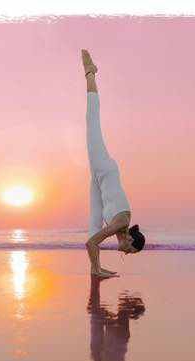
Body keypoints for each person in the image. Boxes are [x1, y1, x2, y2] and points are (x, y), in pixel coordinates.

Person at [82, 49, 145, 278]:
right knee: (92, 122)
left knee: (93, 225)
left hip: (100, 180)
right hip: (104, 170)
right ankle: (91, 73)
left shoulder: (121, 227)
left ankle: (95, 270)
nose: (127, 253)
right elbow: (91, 243)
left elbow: (92, 237)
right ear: (129, 239)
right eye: (131, 249)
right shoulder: (120, 224)